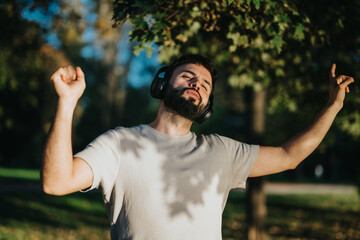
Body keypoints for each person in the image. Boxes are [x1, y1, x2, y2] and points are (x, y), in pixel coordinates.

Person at [42, 54, 354, 240]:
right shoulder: (120, 143)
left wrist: (333, 106)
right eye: (187, 77)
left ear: (206, 104)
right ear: (163, 85)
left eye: (204, 85)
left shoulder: (221, 152)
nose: (196, 84)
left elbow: (290, 155)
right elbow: (56, 182)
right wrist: (67, 104)